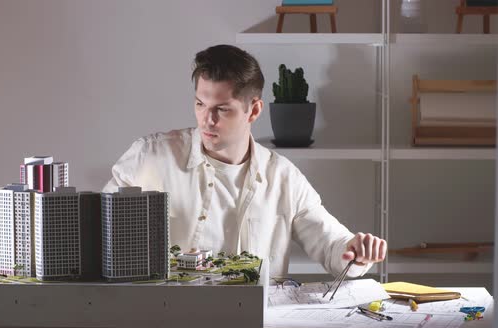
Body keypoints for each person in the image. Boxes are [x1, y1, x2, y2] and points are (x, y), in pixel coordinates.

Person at [103, 44, 386, 278]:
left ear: (254, 111)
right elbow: (101, 233)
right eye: (200, 104)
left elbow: (332, 244)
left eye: (222, 109)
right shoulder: (150, 157)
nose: (207, 120)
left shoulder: (283, 177)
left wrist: (356, 250)